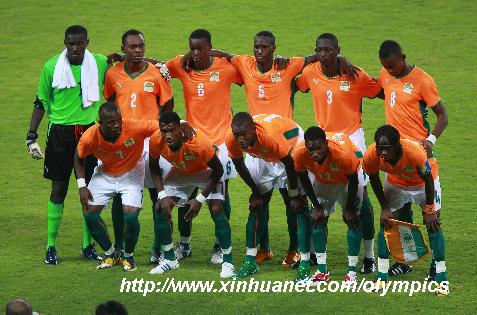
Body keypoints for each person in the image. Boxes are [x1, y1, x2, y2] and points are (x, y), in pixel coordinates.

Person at [212, 31, 358, 267]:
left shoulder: (288, 66)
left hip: (284, 144)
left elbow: (317, 58)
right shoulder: (244, 63)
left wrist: (342, 60)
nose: (259, 51)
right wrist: (191, 55)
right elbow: (224, 55)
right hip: (256, 143)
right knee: (260, 198)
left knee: (293, 200)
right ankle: (264, 248)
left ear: (273, 48)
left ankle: (294, 250)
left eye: (264, 47)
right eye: (256, 46)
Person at [295, 33, 381, 274]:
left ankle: (369, 254)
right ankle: (313, 254)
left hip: (352, 139)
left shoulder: (355, 74)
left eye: (328, 50)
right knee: (318, 194)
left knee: (359, 197)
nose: (323, 54)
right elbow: (294, 83)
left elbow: (379, 91)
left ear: (337, 50)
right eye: (319, 50)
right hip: (321, 141)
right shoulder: (311, 72)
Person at [25, 25, 108, 265]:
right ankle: (51, 246)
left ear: (87, 43)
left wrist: (161, 66)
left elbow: (126, 62)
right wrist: (31, 135)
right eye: (71, 43)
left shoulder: (99, 63)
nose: (75, 48)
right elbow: (41, 101)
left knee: (90, 191)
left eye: (79, 43)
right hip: (60, 134)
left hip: (90, 133)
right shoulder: (52, 66)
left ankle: (87, 245)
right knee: (58, 190)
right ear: (65, 43)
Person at [164, 29, 243, 264]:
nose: (196, 53)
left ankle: (220, 246)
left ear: (211, 48)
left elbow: (242, 62)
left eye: (201, 48)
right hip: (193, 141)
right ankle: (184, 244)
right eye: (192, 48)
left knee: (219, 196)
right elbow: (158, 66)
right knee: (184, 193)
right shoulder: (182, 66)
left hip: (221, 143)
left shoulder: (226, 68)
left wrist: (219, 53)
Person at [376, 40, 448, 278]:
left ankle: (436, 267)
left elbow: (442, 115)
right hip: (394, 157)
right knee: (400, 216)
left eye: (392, 66)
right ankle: (405, 260)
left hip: (418, 156)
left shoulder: (422, 80)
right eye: (385, 66)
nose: (389, 70)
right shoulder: (385, 76)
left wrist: (431, 140)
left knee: (432, 217)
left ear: (403, 57)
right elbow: (377, 90)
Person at [103, 29, 174, 265]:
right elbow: (109, 103)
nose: (138, 51)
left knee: (158, 193)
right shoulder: (113, 73)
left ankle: (162, 248)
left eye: (141, 46)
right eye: (132, 47)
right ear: (123, 49)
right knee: (118, 194)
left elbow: (168, 106)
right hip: (123, 144)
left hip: (151, 142)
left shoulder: (156, 74)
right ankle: (120, 247)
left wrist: (161, 133)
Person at [363, 125, 448, 296]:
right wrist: (385, 207)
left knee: (433, 224)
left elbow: (428, 180)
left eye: (387, 149)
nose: (383, 153)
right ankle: (381, 276)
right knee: (386, 222)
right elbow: (374, 180)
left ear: (397, 145)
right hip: (397, 182)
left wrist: (430, 209)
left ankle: (441, 277)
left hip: (423, 184)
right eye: (380, 148)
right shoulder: (371, 155)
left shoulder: (415, 153)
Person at [148, 112, 234, 278]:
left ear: (180, 129)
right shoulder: (156, 140)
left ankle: (228, 261)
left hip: (207, 171)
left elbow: (218, 170)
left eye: (172, 131)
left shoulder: (198, 143)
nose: (167, 135)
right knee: (160, 207)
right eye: (164, 131)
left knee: (216, 209)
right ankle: (170, 259)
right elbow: (153, 167)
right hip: (181, 171)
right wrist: (162, 194)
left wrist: (200, 199)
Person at [74, 101, 158, 271]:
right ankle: (111, 253)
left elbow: (161, 126)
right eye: (111, 122)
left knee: (131, 217)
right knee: (89, 214)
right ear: (100, 123)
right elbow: (78, 157)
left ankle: (128, 256)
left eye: (118, 120)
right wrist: (82, 186)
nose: (117, 125)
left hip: (132, 172)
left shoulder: (134, 127)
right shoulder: (90, 136)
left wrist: (183, 125)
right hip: (105, 172)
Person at [226, 112, 305, 278]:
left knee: (292, 202)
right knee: (258, 204)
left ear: (254, 129)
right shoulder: (232, 139)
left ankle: (294, 250)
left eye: (244, 135)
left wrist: (293, 194)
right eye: (237, 135)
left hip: (290, 146)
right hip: (261, 155)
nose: (240, 139)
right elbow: (239, 164)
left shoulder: (270, 137)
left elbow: (289, 165)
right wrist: (255, 192)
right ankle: (253, 257)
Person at [293, 127, 364, 284]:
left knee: (353, 220)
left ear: (326, 144)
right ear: (306, 146)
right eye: (311, 149)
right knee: (317, 219)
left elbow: (353, 180)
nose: (315, 153)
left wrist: (349, 208)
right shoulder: (299, 153)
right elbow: (303, 178)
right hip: (324, 180)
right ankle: (322, 271)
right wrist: (317, 206)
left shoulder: (343, 154)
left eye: (319, 148)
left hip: (349, 180)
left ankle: (352, 272)